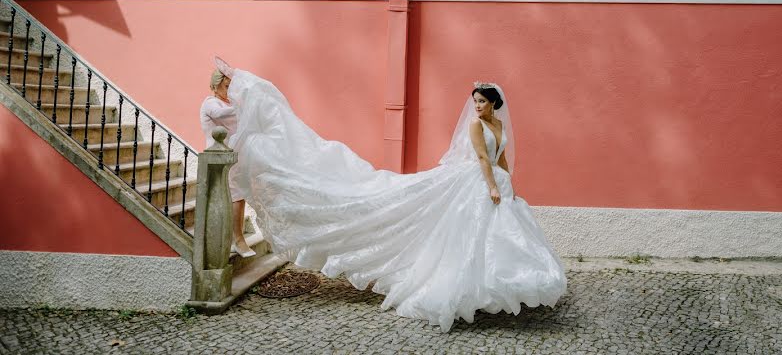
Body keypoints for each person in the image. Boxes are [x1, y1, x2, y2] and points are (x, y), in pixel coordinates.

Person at [218, 58, 566, 331]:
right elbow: (480, 159)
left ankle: (506, 284)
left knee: (501, 235)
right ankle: (471, 288)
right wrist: (491, 185)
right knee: (468, 233)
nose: (475, 107)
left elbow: (500, 157)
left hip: (496, 184)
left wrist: (507, 184)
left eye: (481, 102)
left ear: (493, 104)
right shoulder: (476, 127)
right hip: (476, 183)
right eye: (473, 102)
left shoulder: (499, 126)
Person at [199, 63, 255, 258]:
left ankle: (236, 239)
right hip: (218, 159)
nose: (229, 90)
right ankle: (237, 240)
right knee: (235, 197)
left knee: (238, 198)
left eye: (231, 86)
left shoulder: (230, 104)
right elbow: (219, 115)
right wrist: (243, 105)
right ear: (216, 85)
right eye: (226, 86)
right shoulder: (210, 103)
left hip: (233, 157)